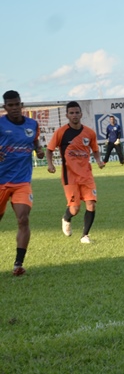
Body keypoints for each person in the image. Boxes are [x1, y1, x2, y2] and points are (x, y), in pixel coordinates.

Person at [46, 101, 105, 243]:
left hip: (86, 175)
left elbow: (95, 149)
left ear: (81, 114)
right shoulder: (61, 132)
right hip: (70, 176)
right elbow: (49, 150)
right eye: (71, 113)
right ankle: (66, 218)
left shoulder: (89, 133)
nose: (74, 115)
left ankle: (85, 235)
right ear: (67, 115)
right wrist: (50, 164)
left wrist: (98, 160)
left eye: (77, 112)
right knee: (75, 209)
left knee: (91, 203)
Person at [0, 90, 44, 276]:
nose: (14, 108)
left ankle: (18, 265)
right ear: (5, 107)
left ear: (21, 104)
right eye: (10, 105)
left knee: (23, 219)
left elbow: (34, 142)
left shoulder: (32, 124)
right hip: (1, 181)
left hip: (22, 182)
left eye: (17, 104)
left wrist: (39, 150)